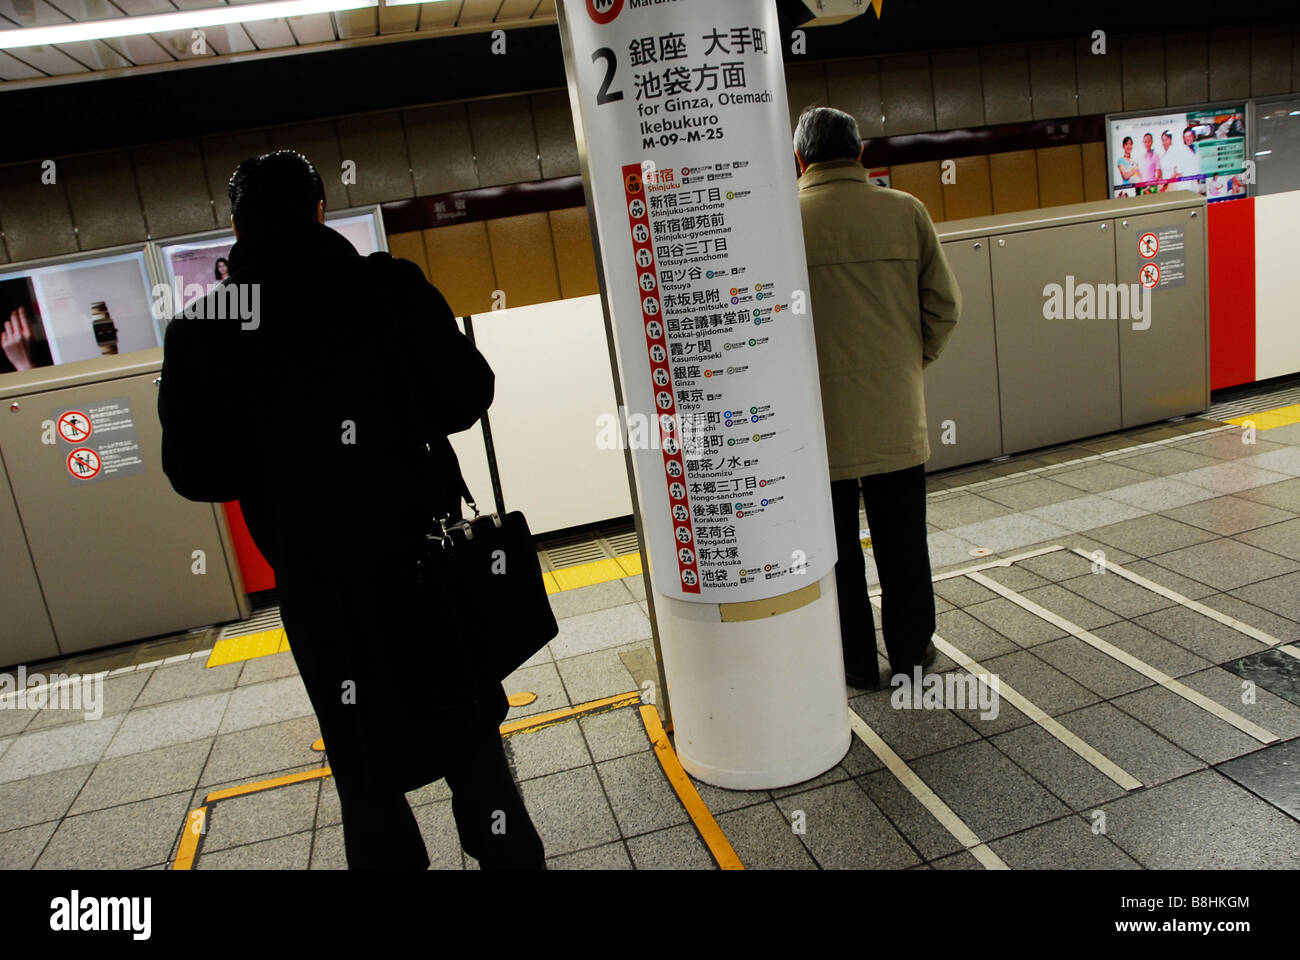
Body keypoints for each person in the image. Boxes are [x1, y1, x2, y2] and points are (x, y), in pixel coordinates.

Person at [157, 150, 545, 870]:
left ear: (237, 225)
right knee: (470, 741)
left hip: (315, 582)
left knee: (361, 758)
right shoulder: (388, 288)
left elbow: (193, 470)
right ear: (319, 210)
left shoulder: (201, 331)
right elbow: (469, 395)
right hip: (423, 563)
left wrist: (279, 458)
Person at [793, 107, 961, 689]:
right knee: (904, 544)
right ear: (859, 153)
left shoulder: (784, 221)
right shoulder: (905, 211)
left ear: (801, 159)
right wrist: (910, 365)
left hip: (818, 429)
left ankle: (856, 664)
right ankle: (912, 655)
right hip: (894, 417)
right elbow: (944, 305)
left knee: (836, 551)